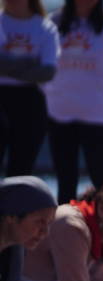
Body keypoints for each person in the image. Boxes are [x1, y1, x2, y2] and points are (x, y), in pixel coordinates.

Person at [43, 0, 103, 203]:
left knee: (101, 178)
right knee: (65, 180)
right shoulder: (52, 23)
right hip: (60, 111)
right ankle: (65, 227)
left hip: (98, 114)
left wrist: (101, 90)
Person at [0, 0, 58, 177]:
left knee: (21, 170)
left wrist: (7, 65)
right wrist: (28, 63)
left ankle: (14, 204)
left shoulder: (45, 28)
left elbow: (47, 72)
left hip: (30, 101)